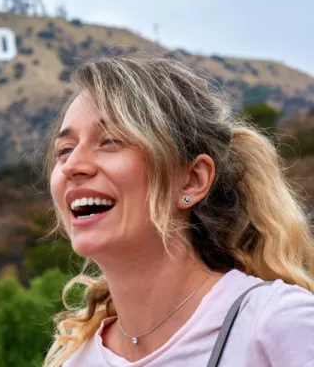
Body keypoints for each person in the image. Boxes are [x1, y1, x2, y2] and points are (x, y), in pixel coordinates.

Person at [41, 54, 314, 366]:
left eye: (111, 141)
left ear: (192, 181)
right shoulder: (76, 359)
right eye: (65, 150)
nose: (73, 165)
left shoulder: (276, 327)